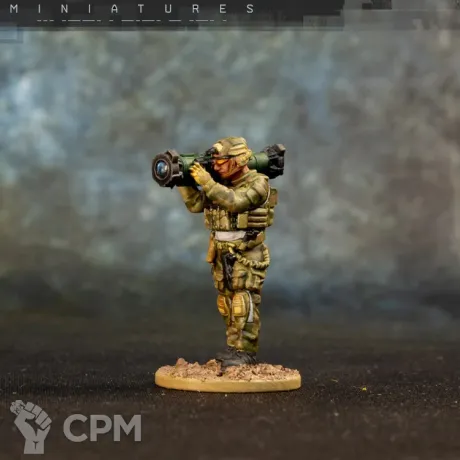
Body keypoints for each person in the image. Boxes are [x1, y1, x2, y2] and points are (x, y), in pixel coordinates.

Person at [177, 137, 278, 369]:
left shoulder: (258, 183)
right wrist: (183, 180)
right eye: (214, 161)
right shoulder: (219, 184)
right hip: (221, 252)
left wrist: (207, 182)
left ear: (238, 160)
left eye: (221, 161)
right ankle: (234, 347)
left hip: (246, 252)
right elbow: (196, 204)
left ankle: (246, 351)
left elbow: (236, 202)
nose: (216, 166)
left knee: (244, 302)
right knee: (227, 303)